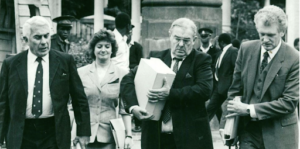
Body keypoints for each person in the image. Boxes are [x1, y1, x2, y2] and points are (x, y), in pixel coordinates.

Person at [121, 18, 214, 149]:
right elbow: (128, 79)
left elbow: (204, 90)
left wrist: (170, 93)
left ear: (194, 40)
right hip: (156, 139)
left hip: (190, 139)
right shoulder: (156, 57)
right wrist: (133, 107)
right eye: (177, 38)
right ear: (170, 35)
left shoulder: (201, 60)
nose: (181, 44)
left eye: (186, 40)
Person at [0, 16, 91, 149]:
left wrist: (83, 133)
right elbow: (3, 104)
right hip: (21, 133)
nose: (44, 42)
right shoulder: (11, 64)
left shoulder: (65, 61)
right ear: (25, 40)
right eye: (38, 37)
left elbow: (79, 99)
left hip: (54, 132)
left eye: (46, 36)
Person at [222, 5, 299, 149]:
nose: (265, 39)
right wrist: (226, 125)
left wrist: (249, 109)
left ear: (282, 32)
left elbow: (289, 102)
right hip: (248, 132)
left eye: (271, 35)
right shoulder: (246, 49)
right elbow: (234, 90)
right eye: (261, 34)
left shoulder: (294, 58)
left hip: (279, 134)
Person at [72, 29, 132, 149]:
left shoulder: (122, 74)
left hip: (110, 136)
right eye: (99, 46)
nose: (103, 50)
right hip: (84, 135)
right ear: (93, 50)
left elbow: (124, 109)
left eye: (107, 46)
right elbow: (74, 107)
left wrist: (128, 135)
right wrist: (73, 134)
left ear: (112, 50)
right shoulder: (80, 73)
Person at [206, 33, 238, 122]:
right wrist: (212, 45)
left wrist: (232, 86)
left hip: (226, 87)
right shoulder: (221, 52)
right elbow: (210, 55)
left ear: (222, 42)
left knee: (211, 110)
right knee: (211, 110)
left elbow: (236, 69)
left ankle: (200, 132)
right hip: (218, 87)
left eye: (219, 43)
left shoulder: (233, 50)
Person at [126, 25, 143, 132]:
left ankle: (138, 124)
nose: (128, 34)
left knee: (136, 98)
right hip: (123, 74)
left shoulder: (136, 46)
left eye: (130, 32)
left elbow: (141, 62)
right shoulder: (120, 45)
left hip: (134, 73)